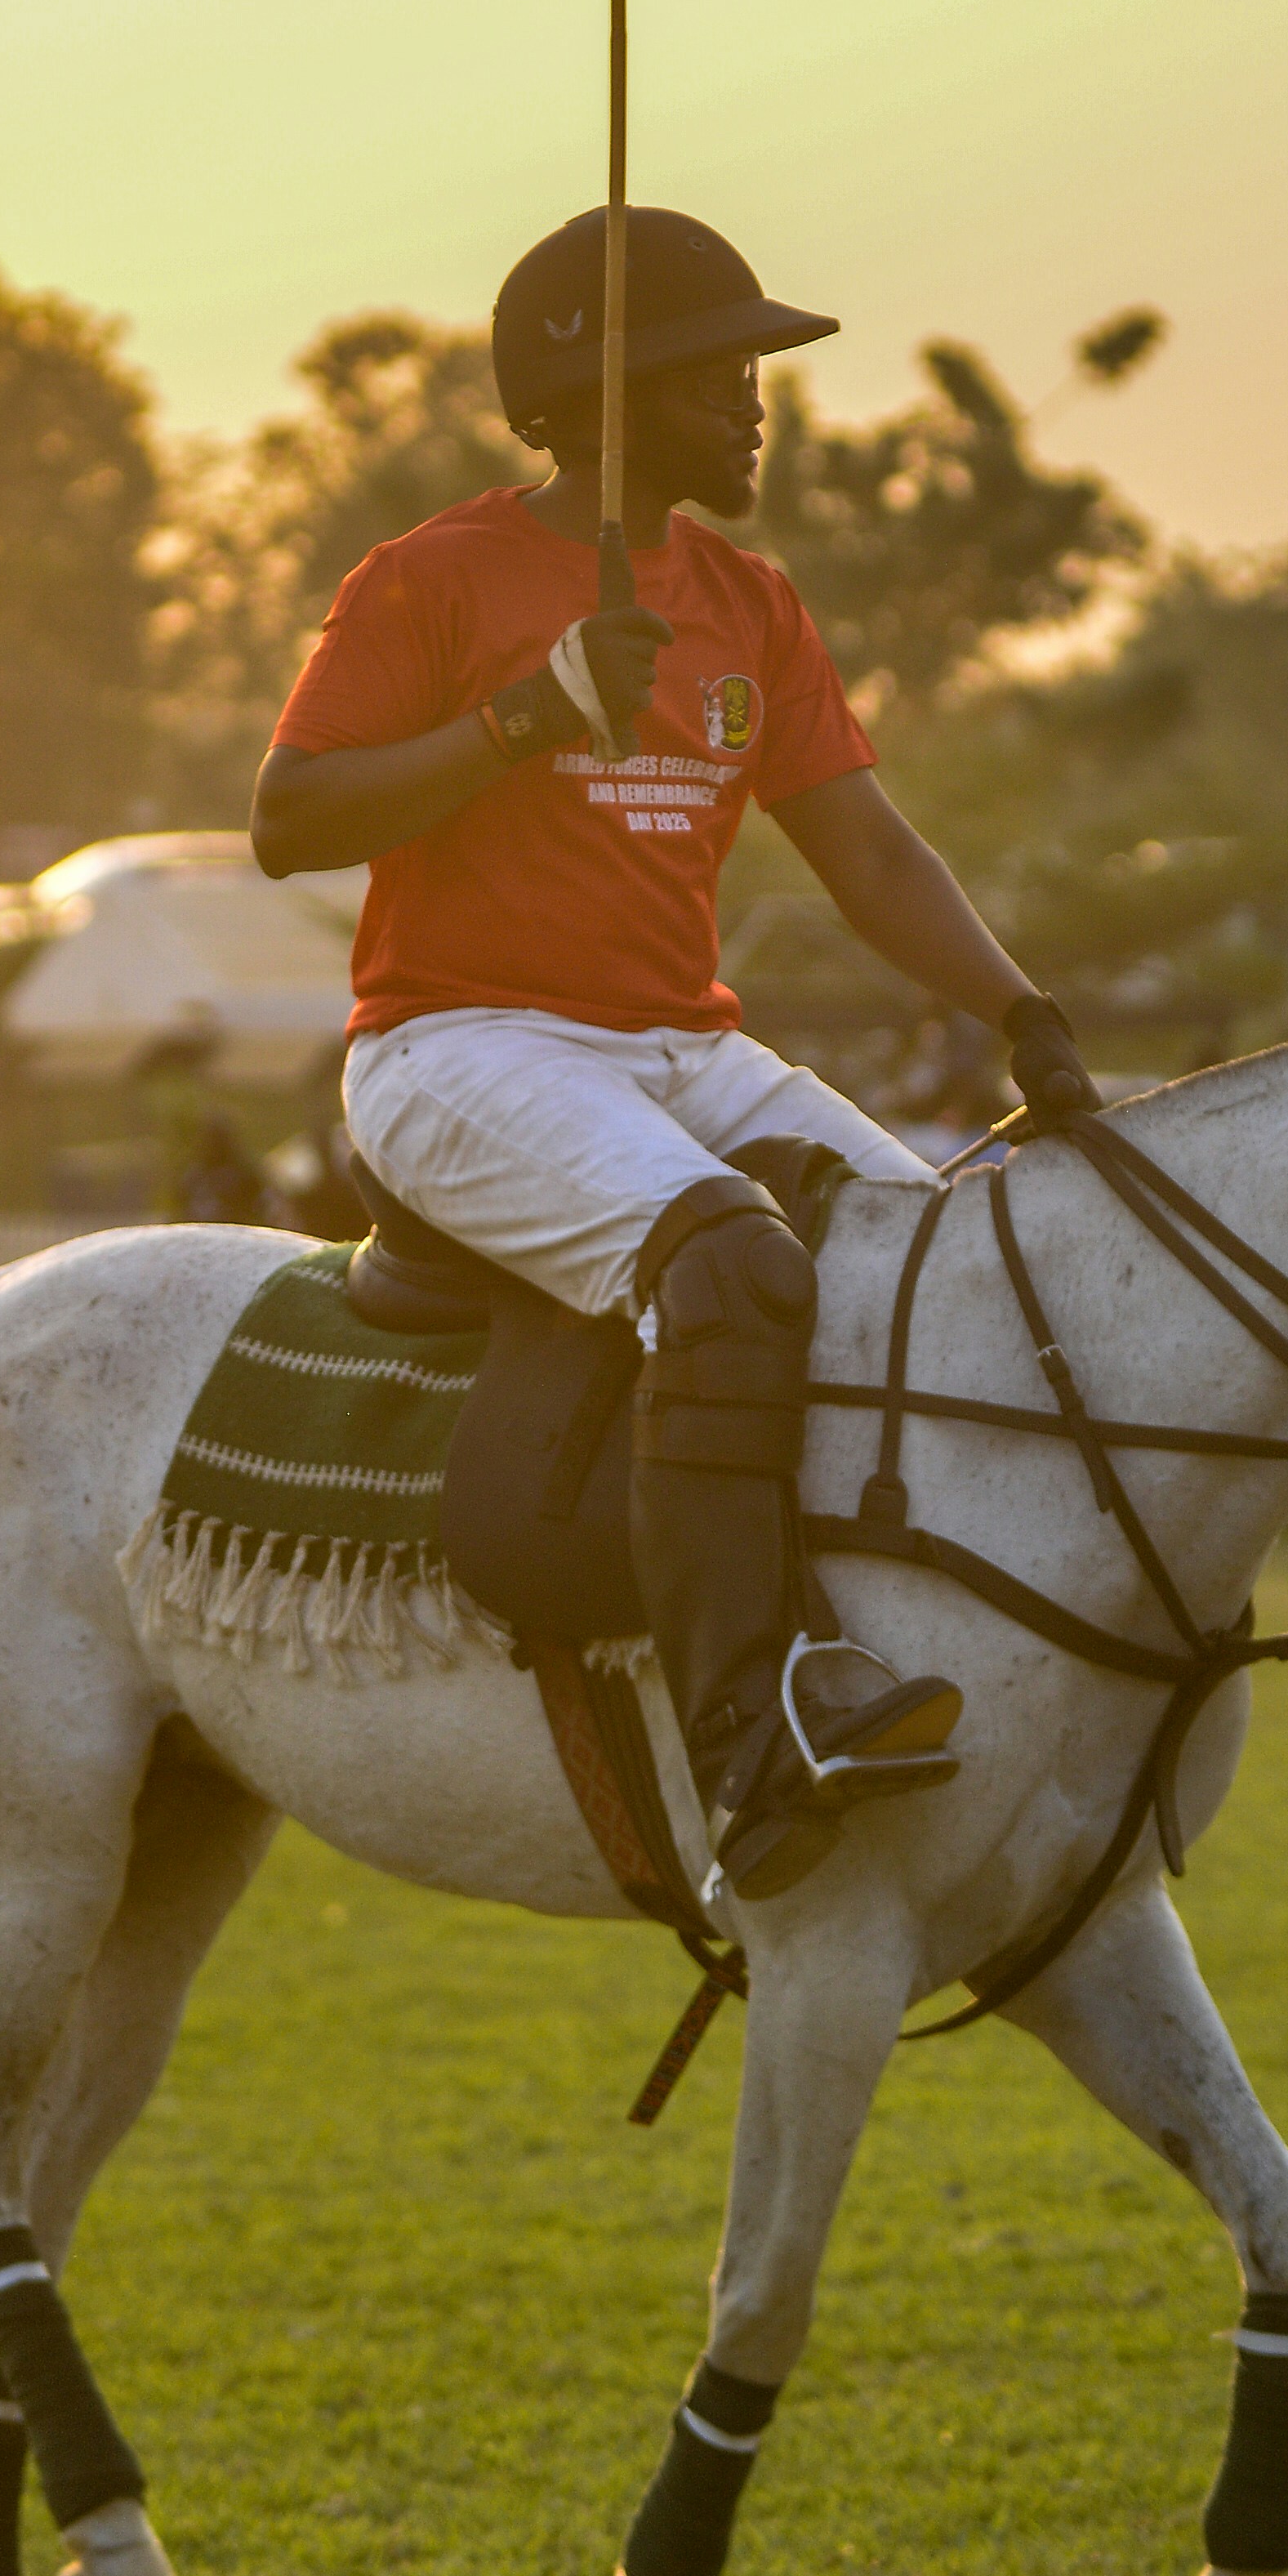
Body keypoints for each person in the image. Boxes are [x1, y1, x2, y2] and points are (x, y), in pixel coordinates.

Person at [252, 202, 1099, 1895]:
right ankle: (754, 1728)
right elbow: (288, 818)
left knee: (955, 1267)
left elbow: (869, 855)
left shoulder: (745, 600)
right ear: (614, 396)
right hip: (457, 1044)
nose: (758, 403)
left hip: (675, 1049)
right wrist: (525, 715)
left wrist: (1020, 1011)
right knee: (727, 1263)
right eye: (722, 373)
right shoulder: (429, 577)